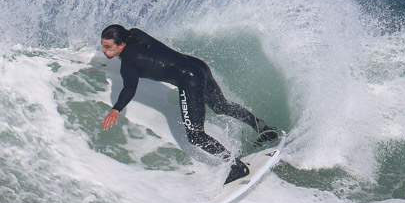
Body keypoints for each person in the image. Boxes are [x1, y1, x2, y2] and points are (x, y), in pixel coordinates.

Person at [99, 24, 278, 184]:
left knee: (195, 135)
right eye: (103, 46)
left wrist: (116, 109)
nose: (104, 51)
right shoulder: (136, 34)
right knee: (221, 106)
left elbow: (129, 88)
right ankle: (263, 128)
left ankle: (236, 166)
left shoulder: (128, 64)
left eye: (108, 47)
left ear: (121, 45)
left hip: (189, 79)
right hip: (198, 66)